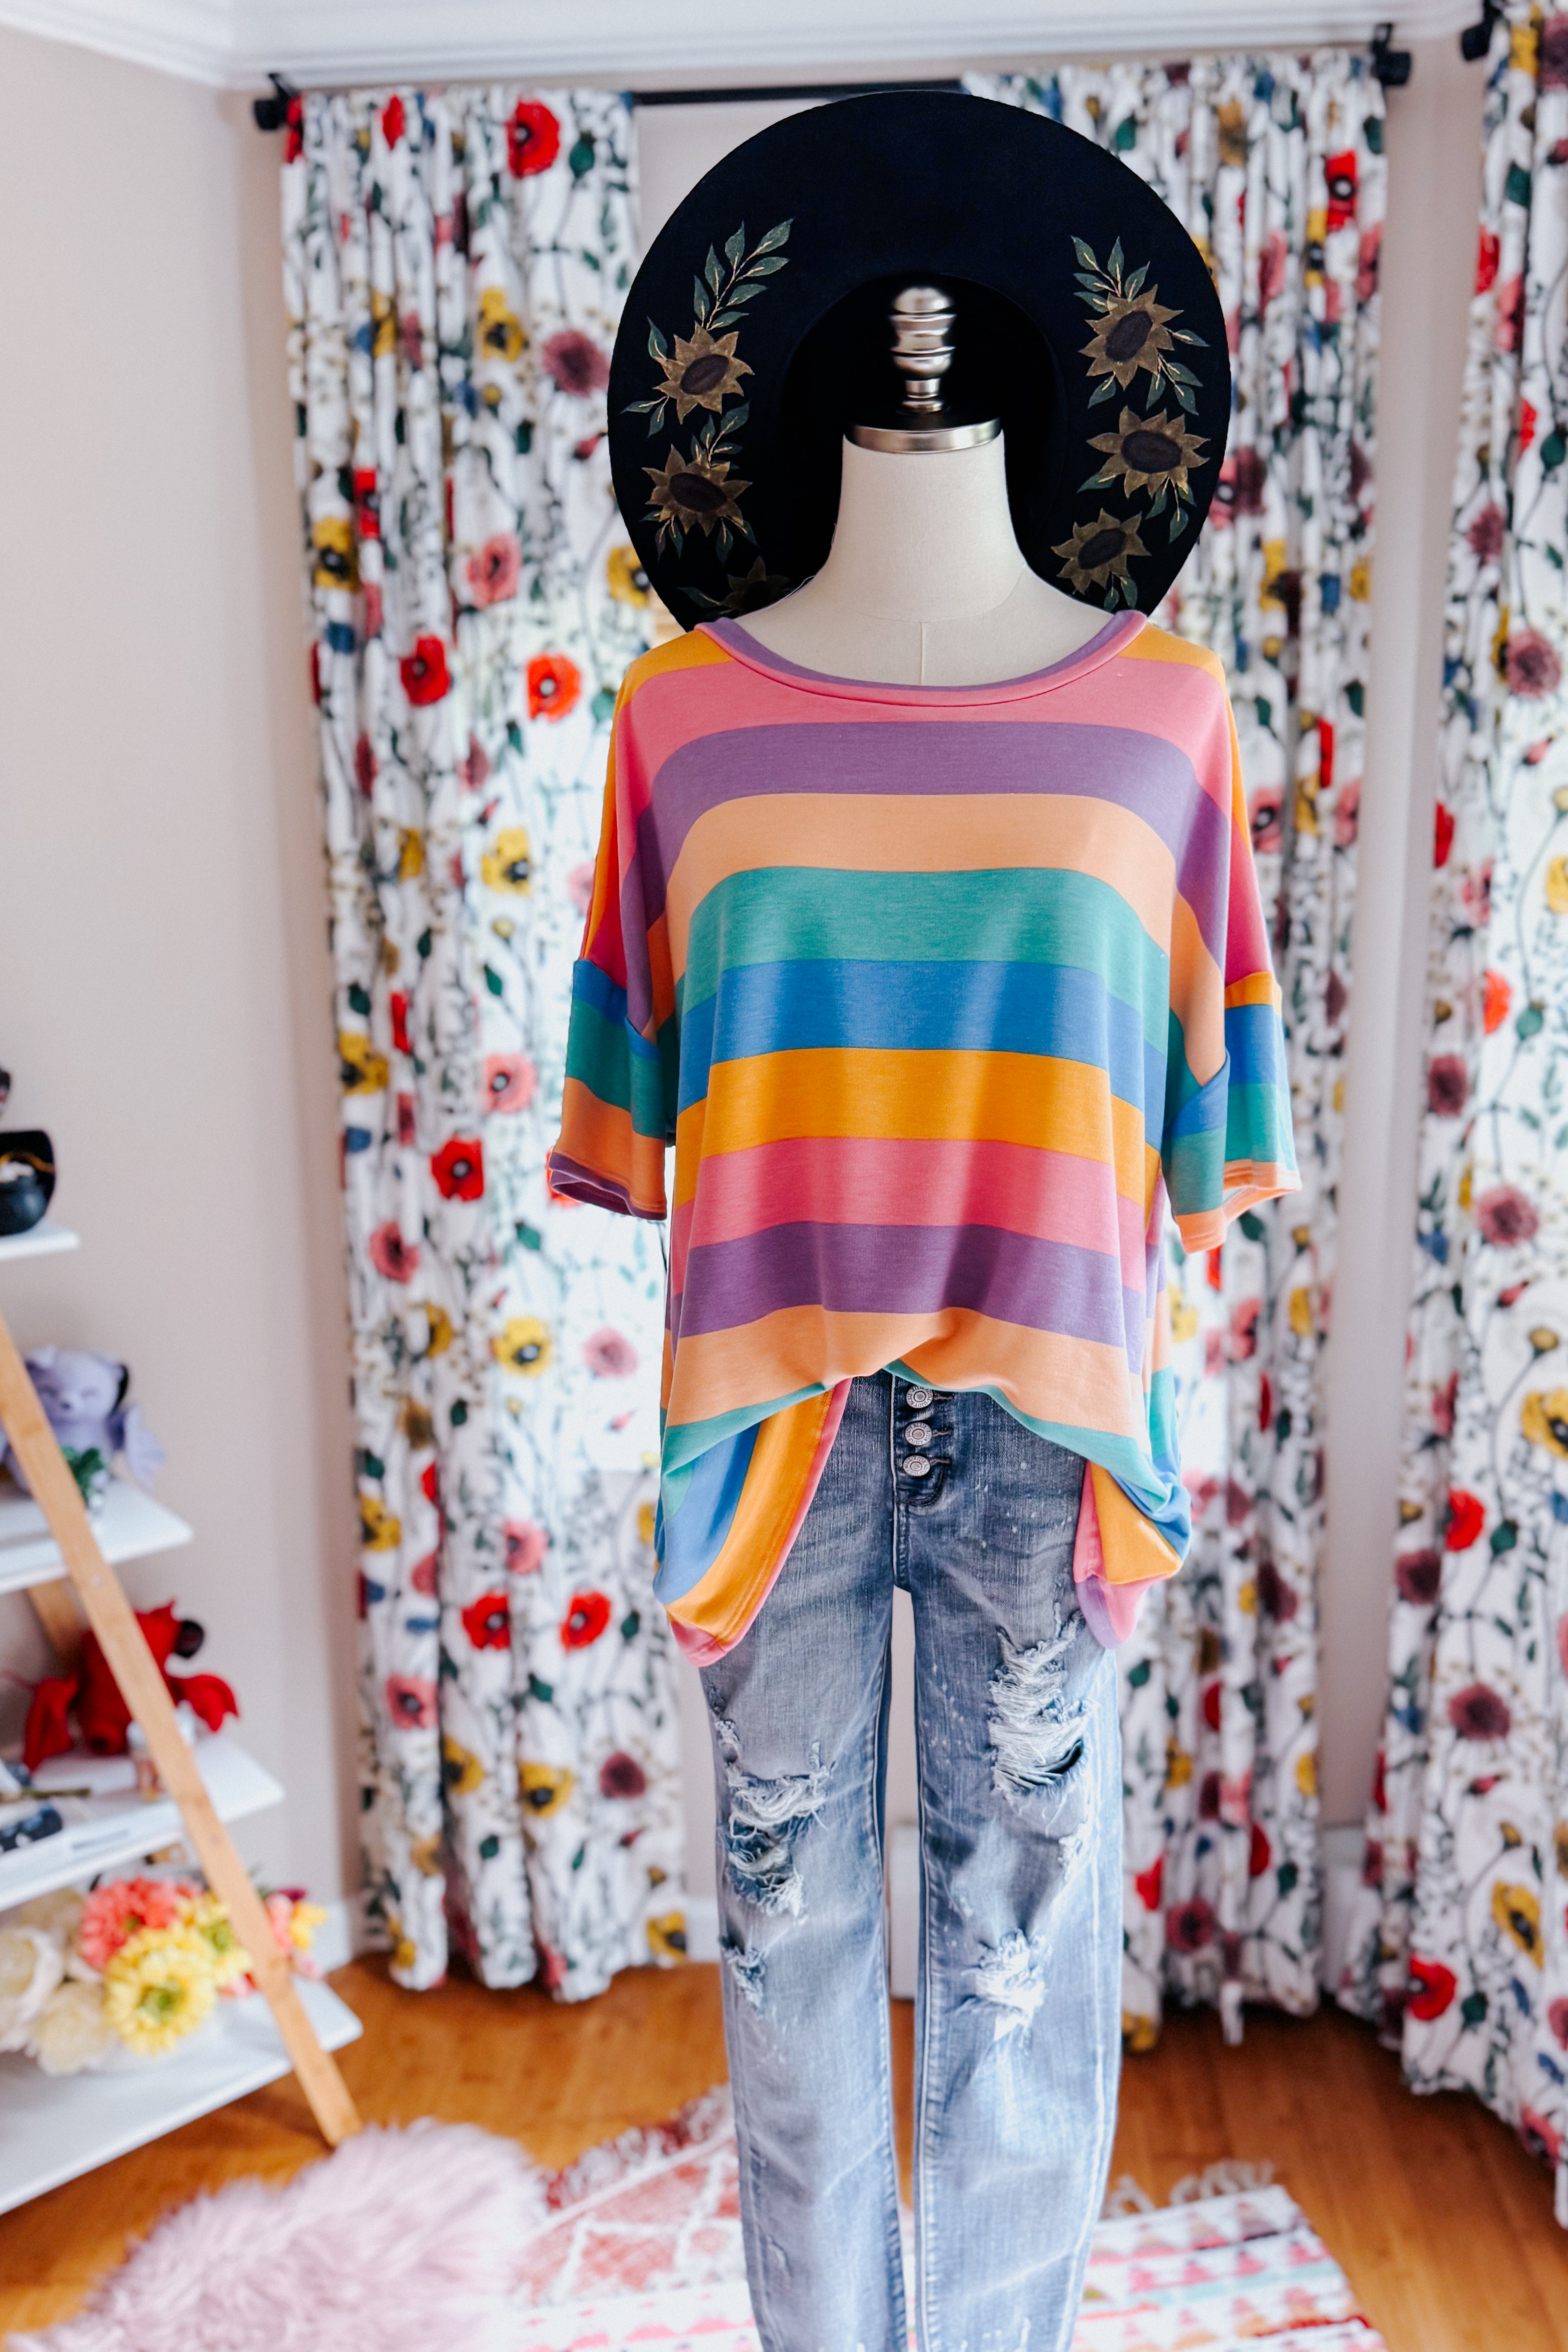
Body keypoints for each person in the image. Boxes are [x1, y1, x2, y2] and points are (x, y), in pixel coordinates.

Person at [551, 91, 1298, 2352]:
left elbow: (1205, 1122)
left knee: (1011, 1954)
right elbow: (634, 1107)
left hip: (1048, 1429)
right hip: (771, 1425)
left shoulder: (1169, 721)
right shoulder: (677, 723)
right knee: (787, 1953)